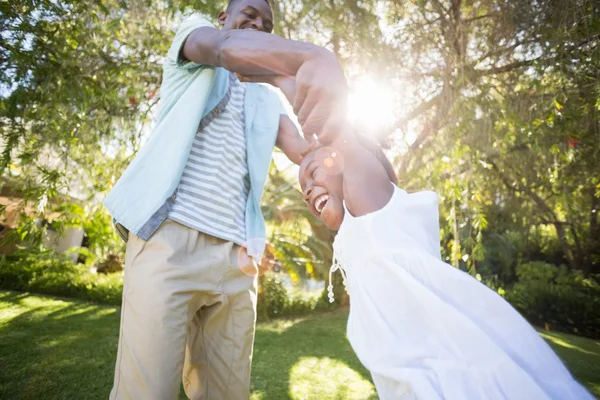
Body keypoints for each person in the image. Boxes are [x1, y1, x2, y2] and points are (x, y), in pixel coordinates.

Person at [266, 77, 594, 399]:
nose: (307, 190)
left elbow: (323, 109)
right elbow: (300, 141)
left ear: (344, 163)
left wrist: (277, 75)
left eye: (313, 174)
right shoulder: (357, 228)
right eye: (303, 185)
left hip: (448, 379)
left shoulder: (374, 213)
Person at [102, 0, 346, 398]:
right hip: (170, 241)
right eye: (249, 13)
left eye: (266, 25)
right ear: (224, 18)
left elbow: (304, 150)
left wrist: (342, 151)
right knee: (145, 391)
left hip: (237, 259)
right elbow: (221, 48)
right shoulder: (195, 40)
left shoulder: (267, 99)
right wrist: (308, 61)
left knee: (227, 393)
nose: (258, 24)